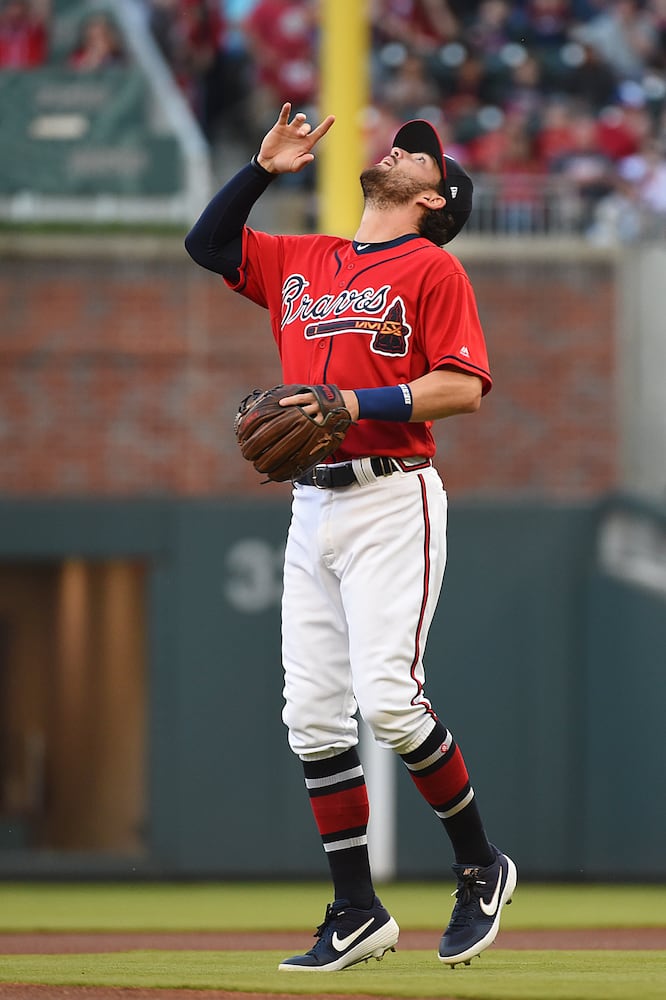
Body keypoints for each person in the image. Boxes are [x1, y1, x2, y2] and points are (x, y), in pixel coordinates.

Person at [185, 101, 516, 971]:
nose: (402, 150)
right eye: (403, 144)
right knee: (311, 717)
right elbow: (209, 247)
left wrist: (357, 404)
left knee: (391, 702)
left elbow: (463, 388)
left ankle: (481, 865)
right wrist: (262, 171)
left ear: (436, 200)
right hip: (311, 506)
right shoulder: (309, 260)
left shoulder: (432, 269)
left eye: (421, 156)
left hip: (390, 497)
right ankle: (356, 910)